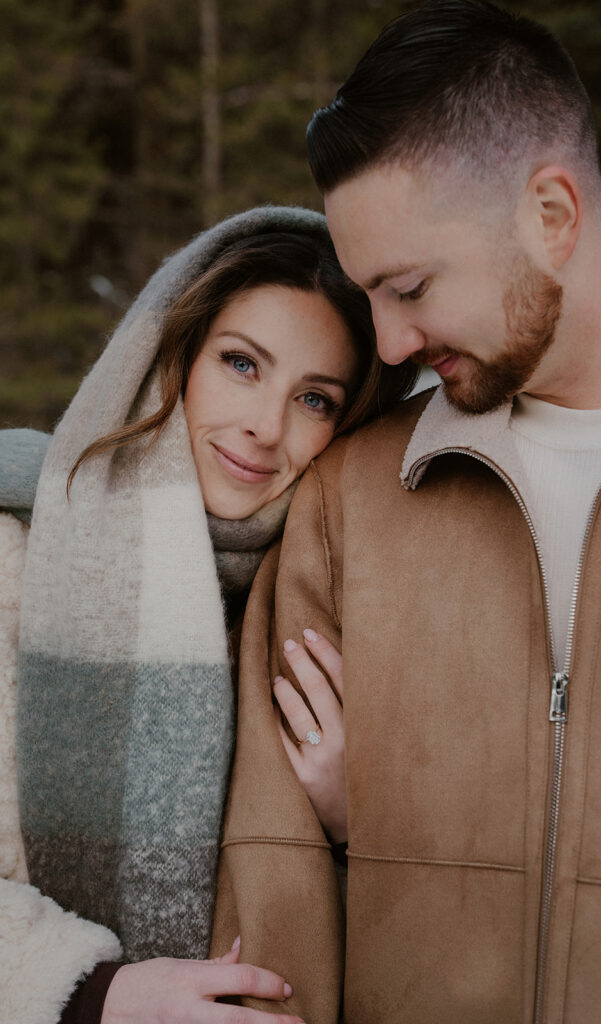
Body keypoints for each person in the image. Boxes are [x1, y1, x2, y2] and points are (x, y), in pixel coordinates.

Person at [213, 3, 601, 1022]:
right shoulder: (350, 501)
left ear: (550, 214)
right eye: (366, 296)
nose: (382, 346)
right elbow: (275, 875)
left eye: (410, 286)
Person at [0, 205, 415, 1024]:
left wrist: (355, 817)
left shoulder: (330, 601)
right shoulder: (16, 550)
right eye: (241, 364)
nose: (266, 427)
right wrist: (97, 993)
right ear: (173, 358)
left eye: (316, 400)